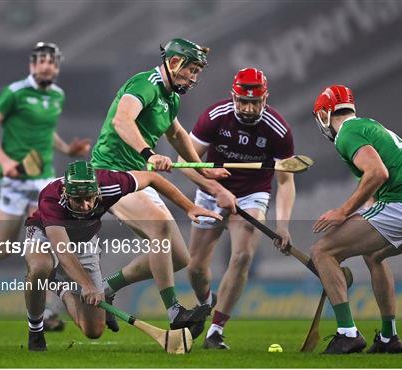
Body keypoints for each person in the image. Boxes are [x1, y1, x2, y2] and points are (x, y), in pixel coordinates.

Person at [89, 38, 235, 336]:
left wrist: (202, 169)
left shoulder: (171, 98)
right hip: (109, 173)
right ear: (174, 62)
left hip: (138, 176)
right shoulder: (146, 84)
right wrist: (149, 154)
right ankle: (174, 311)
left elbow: (178, 134)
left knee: (179, 258)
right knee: (159, 227)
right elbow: (121, 121)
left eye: (197, 72)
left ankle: (105, 289)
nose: (193, 78)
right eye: (191, 70)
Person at [0, 42, 91, 329]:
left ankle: (45, 311)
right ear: (32, 65)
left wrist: (66, 149)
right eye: (41, 61)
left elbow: (46, 133)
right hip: (13, 181)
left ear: (57, 66)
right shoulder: (15, 93)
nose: (46, 65)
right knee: (4, 246)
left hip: (44, 182)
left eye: (52, 61)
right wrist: (4, 161)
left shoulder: (57, 96)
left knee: (46, 245)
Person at [24, 160, 222, 351]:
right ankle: (36, 330)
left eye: (89, 198)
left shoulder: (111, 183)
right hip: (47, 235)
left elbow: (153, 177)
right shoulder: (51, 198)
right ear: (67, 195)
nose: (85, 206)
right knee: (41, 267)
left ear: (97, 191)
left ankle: (62, 288)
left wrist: (189, 207)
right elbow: (64, 252)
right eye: (78, 200)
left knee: (93, 331)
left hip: (85, 240)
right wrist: (88, 285)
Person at [304, 85, 402, 354]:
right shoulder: (369, 126)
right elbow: (374, 191)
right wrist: (351, 218)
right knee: (374, 256)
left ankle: (347, 333)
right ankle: (389, 337)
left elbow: (377, 173)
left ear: (323, 115)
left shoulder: (347, 133)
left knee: (322, 252)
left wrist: (342, 212)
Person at [177, 68, 296, 349]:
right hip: (211, 191)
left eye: (254, 103)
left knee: (242, 255)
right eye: (243, 101)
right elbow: (185, 164)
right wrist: (216, 189)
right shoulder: (215, 117)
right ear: (234, 97)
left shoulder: (278, 129)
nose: (248, 108)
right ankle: (207, 303)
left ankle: (216, 330)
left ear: (265, 99)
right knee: (194, 268)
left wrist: (282, 225)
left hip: (252, 195)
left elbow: (286, 182)